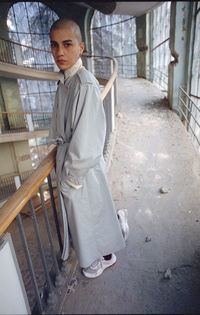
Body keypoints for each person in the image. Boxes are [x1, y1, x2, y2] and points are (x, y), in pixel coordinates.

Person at [48, 18, 127, 278]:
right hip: (75, 161)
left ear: (81, 47)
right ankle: (116, 225)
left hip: (81, 165)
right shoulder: (67, 79)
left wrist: (70, 174)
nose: (60, 51)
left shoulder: (84, 84)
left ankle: (102, 257)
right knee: (91, 211)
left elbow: (89, 137)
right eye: (54, 45)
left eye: (67, 44)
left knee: (88, 213)